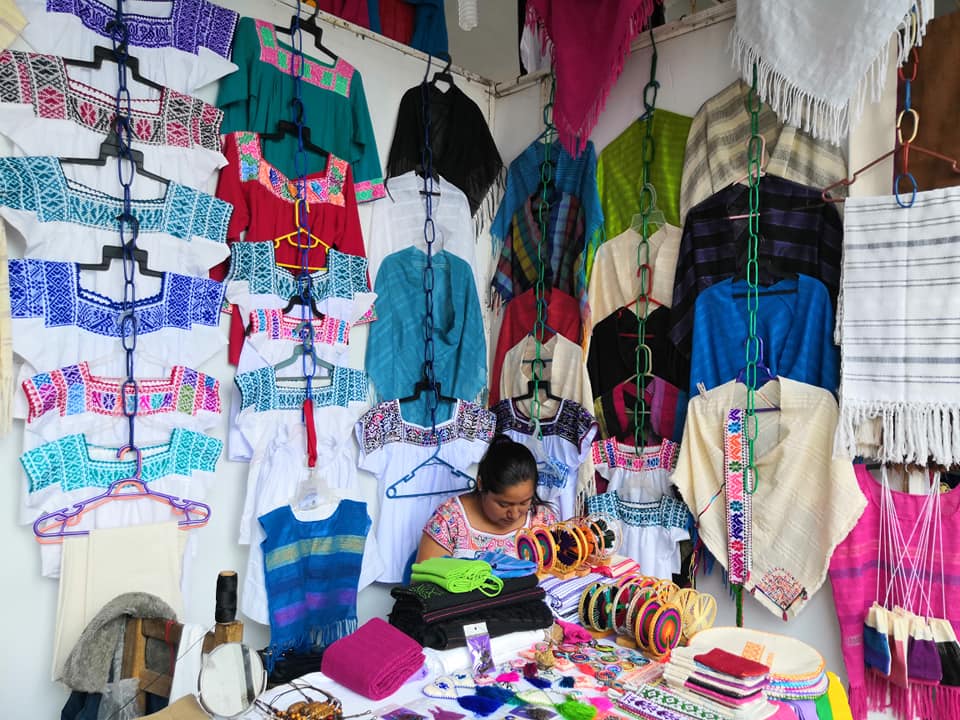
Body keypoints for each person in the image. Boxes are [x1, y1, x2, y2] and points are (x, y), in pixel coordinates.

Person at [416, 434, 558, 561]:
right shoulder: (449, 520)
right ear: (481, 484)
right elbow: (424, 579)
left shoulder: (542, 521)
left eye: (524, 503)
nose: (514, 514)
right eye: (503, 505)